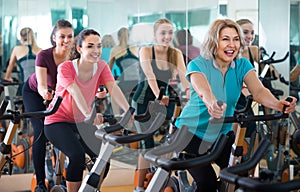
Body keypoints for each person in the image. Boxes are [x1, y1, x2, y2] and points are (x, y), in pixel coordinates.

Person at [174, 18, 297, 192]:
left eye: (236, 39)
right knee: (207, 183)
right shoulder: (198, 64)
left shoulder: (242, 65)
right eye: (225, 39)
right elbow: (203, 90)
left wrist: (279, 105)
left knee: (240, 178)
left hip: (221, 135)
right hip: (189, 134)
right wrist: (212, 103)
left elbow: (259, 92)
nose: (232, 44)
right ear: (214, 41)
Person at [44, 29, 130, 192]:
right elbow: (75, 92)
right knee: (77, 156)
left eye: (99, 46)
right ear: (79, 49)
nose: (96, 51)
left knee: (103, 158)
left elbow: (114, 89)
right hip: (57, 121)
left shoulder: (102, 66)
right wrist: (89, 115)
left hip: (82, 121)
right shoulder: (66, 68)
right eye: (90, 46)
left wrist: (128, 111)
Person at [132, 18, 190, 192]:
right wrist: (158, 94)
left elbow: (185, 78)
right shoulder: (146, 50)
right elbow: (149, 75)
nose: (167, 36)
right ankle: (139, 187)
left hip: (164, 99)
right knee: (146, 143)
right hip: (143, 100)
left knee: (171, 139)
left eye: (170, 33)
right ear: (155, 34)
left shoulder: (175, 53)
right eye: (163, 33)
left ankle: (160, 176)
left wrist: (191, 95)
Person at [22, 19, 74, 192]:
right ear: (54, 38)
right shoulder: (43, 55)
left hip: (58, 98)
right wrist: (45, 93)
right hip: (35, 94)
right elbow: (43, 85)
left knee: (69, 131)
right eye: (62, 36)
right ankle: (39, 183)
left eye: (70, 36)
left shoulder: (75, 57)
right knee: (41, 132)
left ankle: (67, 176)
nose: (66, 40)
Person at [109, 27, 140, 113]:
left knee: (113, 97)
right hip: (138, 82)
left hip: (125, 83)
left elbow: (108, 70)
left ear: (118, 37)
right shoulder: (135, 48)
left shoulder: (115, 50)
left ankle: (117, 117)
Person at [4, 27, 42, 95]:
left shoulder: (17, 49)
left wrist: (8, 77)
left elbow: (10, 67)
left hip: (24, 89)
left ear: (21, 38)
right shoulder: (40, 50)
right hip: (39, 89)